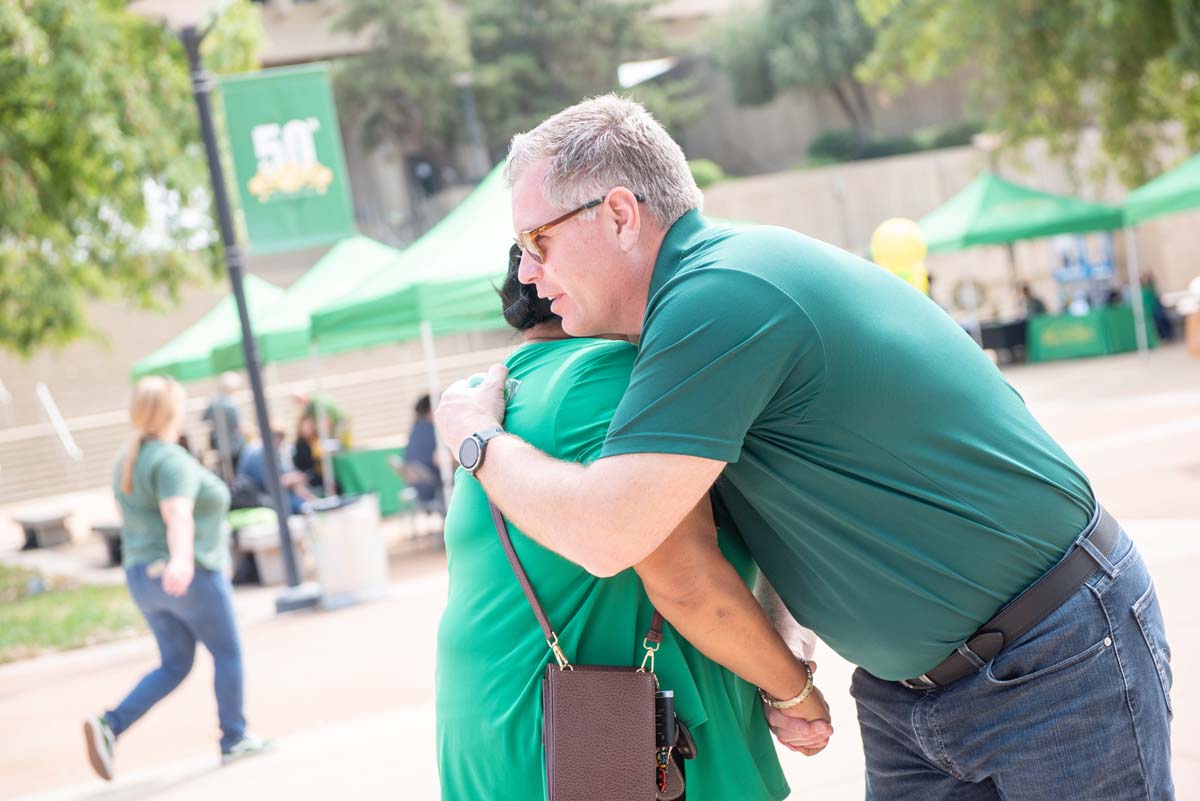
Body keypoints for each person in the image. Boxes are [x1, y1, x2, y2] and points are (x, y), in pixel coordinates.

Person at [435, 96, 1174, 799]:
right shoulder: (702, 299)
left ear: (621, 214)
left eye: (538, 240)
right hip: (916, 692)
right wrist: (786, 641)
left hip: (1050, 661)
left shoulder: (715, 298)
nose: (527, 271)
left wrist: (477, 436)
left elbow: (608, 532)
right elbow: (796, 478)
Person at [437, 246, 816, 800]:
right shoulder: (605, 377)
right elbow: (687, 582)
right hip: (602, 743)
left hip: (515, 725)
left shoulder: (497, 389)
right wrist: (794, 693)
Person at [84, 376, 267, 781]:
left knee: (176, 663)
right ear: (171, 413)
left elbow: (126, 516)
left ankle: (110, 725)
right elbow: (177, 512)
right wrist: (182, 559)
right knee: (227, 652)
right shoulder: (171, 460)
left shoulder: (127, 458)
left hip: (142, 578)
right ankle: (234, 736)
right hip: (187, 574)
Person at [235, 428, 312, 514]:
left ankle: (309, 504)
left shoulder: (264, 451)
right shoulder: (257, 452)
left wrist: (293, 479)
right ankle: (307, 506)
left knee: (294, 487)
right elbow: (270, 482)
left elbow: (280, 473)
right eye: (280, 442)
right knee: (287, 496)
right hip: (255, 495)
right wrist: (290, 480)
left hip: (262, 492)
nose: (280, 446)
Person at [400, 395, 443, 513]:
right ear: (432, 409)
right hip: (432, 489)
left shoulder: (415, 430)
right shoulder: (433, 432)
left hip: (417, 487)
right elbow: (438, 461)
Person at [202, 372, 244, 482]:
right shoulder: (231, 406)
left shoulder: (213, 402)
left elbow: (204, 419)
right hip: (234, 446)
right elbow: (239, 426)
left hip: (219, 446)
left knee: (224, 475)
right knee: (236, 475)